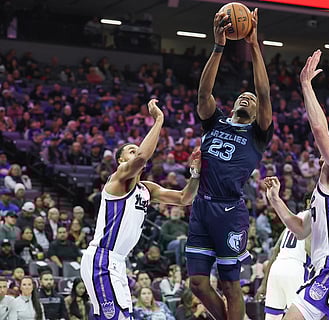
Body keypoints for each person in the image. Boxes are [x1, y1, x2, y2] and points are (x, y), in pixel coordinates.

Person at [185, 8, 273, 320]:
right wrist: (219, 45)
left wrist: (254, 45)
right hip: (201, 207)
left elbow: (263, 90)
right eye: (242, 95)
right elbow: (204, 92)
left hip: (229, 211)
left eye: (252, 98)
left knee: (229, 284)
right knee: (197, 283)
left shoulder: (257, 134)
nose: (246, 97)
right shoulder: (214, 122)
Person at [81, 99, 202, 320]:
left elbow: (185, 198)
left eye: (136, 149)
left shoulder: (147, 189)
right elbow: (142, 157)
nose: (136, 152)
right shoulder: (116, 181)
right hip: (101, 258)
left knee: (123, 317)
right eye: (131, 150)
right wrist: (159, 120)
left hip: (118, 261)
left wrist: (195, 174)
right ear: (120, 160)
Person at [264, 49, 329, 319]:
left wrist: (306, 85)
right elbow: (299, 229)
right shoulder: (322, 196)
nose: (328, 145)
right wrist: (275, 200)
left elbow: (319, 131)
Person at [255, 221, 312, 319]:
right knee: (300, 314)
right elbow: (308, 248)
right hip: (295, 268)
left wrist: (264, 285)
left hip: (277, 266)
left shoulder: (292, 220)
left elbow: (274, 252)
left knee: (272, 316)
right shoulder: (315, 219)